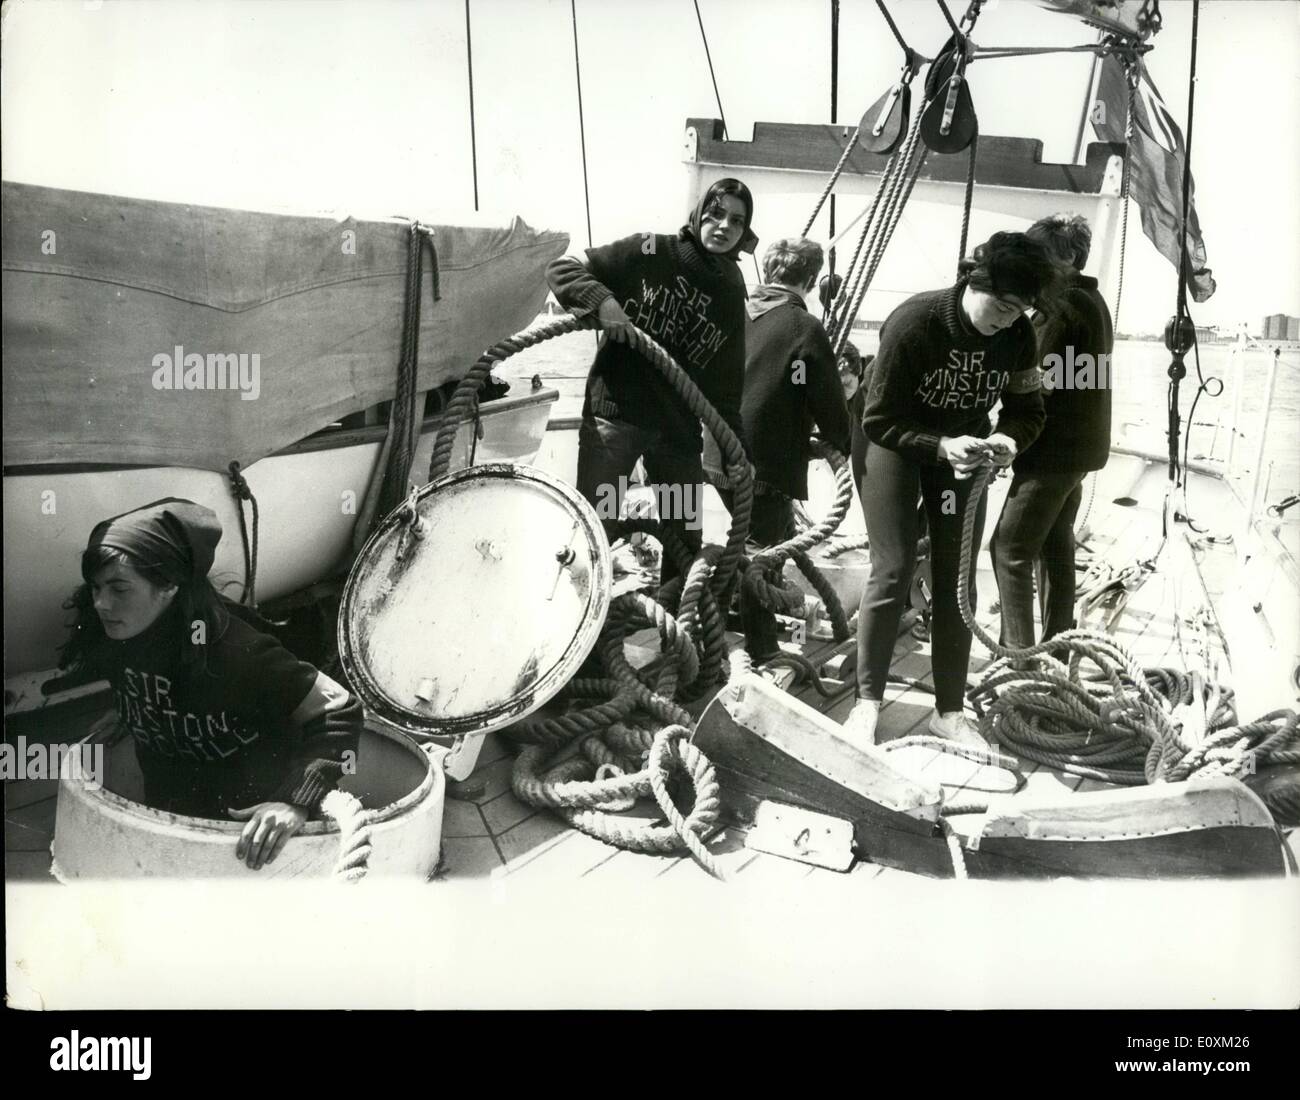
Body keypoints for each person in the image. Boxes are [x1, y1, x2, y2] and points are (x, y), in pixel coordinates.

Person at [60, 498, 362, 870]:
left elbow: (340, 708)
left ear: (168, 586)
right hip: (171, 821)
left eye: (119, 589)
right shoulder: (114, 632)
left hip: (255, 837)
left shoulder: (235, 651)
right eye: (95, 588)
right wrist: (132, 709)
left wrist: (295, 799)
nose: (101, 604)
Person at [845, 232, 1061, 746]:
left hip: (963, 453)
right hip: (894, 441)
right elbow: (878, 418)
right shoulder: (915, 321)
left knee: (956, 580)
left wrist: (1008, 438)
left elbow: (1028, 410)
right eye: (1004, 305)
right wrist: (941, 446)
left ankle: (948, 712)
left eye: (1021, 311)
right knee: (893, 567)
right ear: (972, 280)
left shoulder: (1017, 335)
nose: (1009, 319)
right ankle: (866, 705)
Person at [546, 179, 757, 583]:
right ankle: (590, 642)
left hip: (676, 432)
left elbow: (726, 390)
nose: (723, 226)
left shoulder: (730, 289)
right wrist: (603, 302)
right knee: (595, 528)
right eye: (714, 214)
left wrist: (738, 452)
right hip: (617, 421)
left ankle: (676, 635)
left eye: (735, 220)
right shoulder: (650, 251)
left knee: (683, 537)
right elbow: (562, 268)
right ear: (698, 215)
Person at [721, 237, 852, 660]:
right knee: (765, 557)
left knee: (742, 547)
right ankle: (763, 652)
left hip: (718, 454)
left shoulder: (735, 311)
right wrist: (842, 444)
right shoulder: (802, 326)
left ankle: (711, 629)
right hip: (767, 462)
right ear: (811, 280)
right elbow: (828, 402)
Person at [991, 214, 1114, 647]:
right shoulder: (1093, 303)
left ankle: (1018, 663)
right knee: (1055, 545)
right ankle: (1058, 650)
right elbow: (1072, 376)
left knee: (1008, 551)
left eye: (1036, 253)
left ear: (1064, 258)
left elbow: (1034, 385)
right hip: (1082, 450)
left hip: (1051, 453)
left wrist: (1000, 437)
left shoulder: (1057, 308)